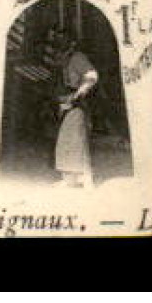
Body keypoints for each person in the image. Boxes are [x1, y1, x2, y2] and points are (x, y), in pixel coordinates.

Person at [53, 29, 100, 188]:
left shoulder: (78, 57)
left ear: (71, 42)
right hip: (64, 104)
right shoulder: (61, 58)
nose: (58, 42)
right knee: (65, 141)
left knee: (78, 140)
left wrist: (78, 94)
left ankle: (87, 179)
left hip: (77, 105)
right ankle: (69, 179)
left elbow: (92, 76)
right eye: (56, 39)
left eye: (62, 39)